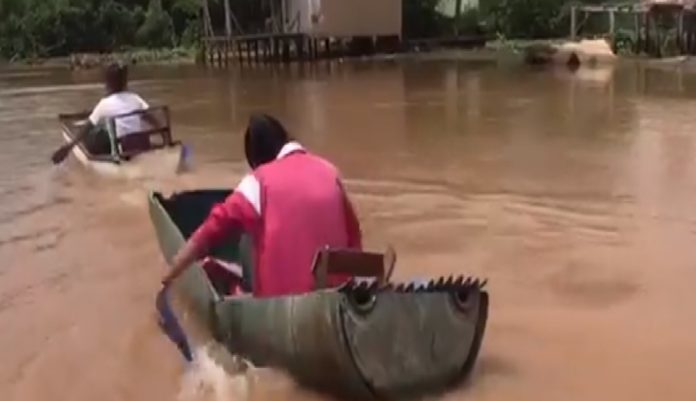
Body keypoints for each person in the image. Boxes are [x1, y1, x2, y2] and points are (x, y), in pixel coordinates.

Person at [161, 114, 362, 297]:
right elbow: (354, 237)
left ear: (256, 158)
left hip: (283, 304)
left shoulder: (258, 182)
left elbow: (209, 232)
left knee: (247, 233)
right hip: (338, 295)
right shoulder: (329, 171)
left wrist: (171, 273)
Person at [80, 62, 151, 154]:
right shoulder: (135, 98)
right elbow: (150, 117)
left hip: (122, 147)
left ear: (108, 83)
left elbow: (87, 128)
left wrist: (68, 147)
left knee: (92, 136)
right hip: (141, 142)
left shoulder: (104, 103)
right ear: (125, 82)